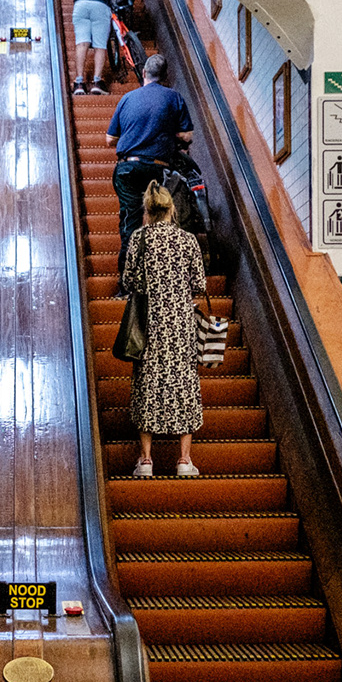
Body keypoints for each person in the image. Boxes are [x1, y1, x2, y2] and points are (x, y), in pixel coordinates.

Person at [122, 180, 207, 477]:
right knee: (184, 382)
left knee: (147, 382)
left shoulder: (139, 238)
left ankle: (146, 460)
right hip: (181, 323)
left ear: (147, 210)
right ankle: (184, 460)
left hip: (148, 322)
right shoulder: (187, 241)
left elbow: (128, 281)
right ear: (172, 209)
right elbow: (199, 284)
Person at [105, 54, 194, 262]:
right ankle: (161, 271)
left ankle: (127, 282)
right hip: (158, 169)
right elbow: (187, 135)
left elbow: (110, 139)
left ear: (144, 73)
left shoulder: (127, 98)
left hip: (128, 169)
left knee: (130, 221)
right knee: (160, 219)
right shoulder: (174, 97)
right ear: (165, 76)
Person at [56, 0, 121, 94]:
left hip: (80, 5)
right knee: (99, 45)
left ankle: (79, 83)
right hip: (100, 5)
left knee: (82, 42)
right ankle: (97, 82)